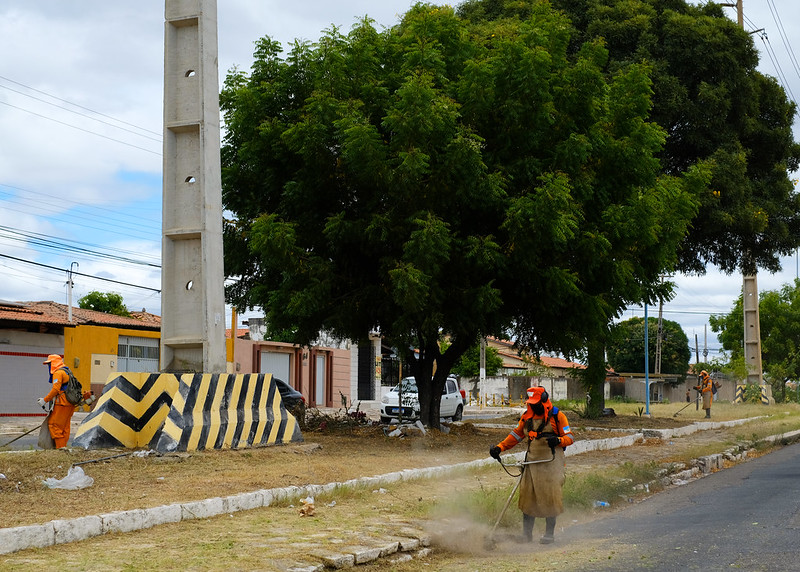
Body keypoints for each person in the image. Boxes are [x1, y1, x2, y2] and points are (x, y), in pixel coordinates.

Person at [489, 386, 574, 544]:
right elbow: (515, 436)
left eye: (536, 403)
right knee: (528, 498)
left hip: (551, 464)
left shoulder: (558, 416)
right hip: (531, 462)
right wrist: (499, 448)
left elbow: (569, 437)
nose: (533, 406)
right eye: (531, 403)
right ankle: (526, 535)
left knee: (550, 498)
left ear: (544, 400)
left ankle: (549, 534)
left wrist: (559, 440)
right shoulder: (526, 418)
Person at [37, 354, 85, 448]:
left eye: (49, 364)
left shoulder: (58, 373)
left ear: (53, 363)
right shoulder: (67, 371)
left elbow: (55, 389)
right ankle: (64, 447)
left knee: (55, 425)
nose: (48, 366)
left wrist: (45, 400)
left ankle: (60, 448)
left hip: (62, 403)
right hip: (69, 403)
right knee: (65, 427)